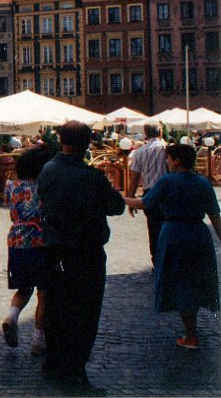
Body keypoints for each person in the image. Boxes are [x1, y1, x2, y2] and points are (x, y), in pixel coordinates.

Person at [37, 121, 125, 391]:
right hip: (86, 253)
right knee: (84, 313)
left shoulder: (48, 170)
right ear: (87, 144)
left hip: (54, 250)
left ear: (61, 140)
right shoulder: (92, 177)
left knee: (56, 308)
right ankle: (75, 371)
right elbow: (117, 206)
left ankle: (53, 363)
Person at [124, 143, 221, 350]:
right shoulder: (203, 183)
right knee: (195, 279)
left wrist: (123, 199)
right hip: (198, 234)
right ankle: (192, 327)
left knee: (180, 281)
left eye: (168, 158)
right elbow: (215, 216)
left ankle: (191, 334)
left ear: (177, 161)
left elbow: (144, 203)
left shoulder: (167, 181)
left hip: (174, 234)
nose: (167, 162)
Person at [1, 147, 53, 355]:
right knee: (44, 292)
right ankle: (39, 339)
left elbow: (11, 212)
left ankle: (12, 316)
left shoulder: (11, 186)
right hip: (41, 241)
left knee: (23, 288)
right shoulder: (45, 187)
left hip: (17, 240)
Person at [126, 124, 168, 264]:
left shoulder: (139, 152)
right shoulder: (166, 149)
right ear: (160, 132)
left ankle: (157, 261)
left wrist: (131, 200)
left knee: (154, 229)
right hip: (168, 192)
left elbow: (134, 179)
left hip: (149, 192)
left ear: (145, 134)